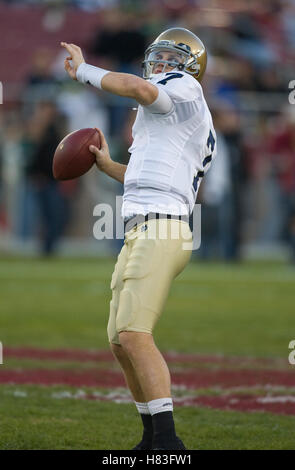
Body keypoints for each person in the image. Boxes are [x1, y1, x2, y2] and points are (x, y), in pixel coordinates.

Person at [61, 27, 217, 450]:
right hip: (145, 224)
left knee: (134, 334)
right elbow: (147, 177)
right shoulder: (172, 116)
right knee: (119, 341)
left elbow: (133, 87)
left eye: (172, 59)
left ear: (190, 68)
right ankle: (152, 437)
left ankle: (168, 443)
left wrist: (84, 72)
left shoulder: (183, 88)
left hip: (162, 225)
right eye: (159, 58)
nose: (163, 66)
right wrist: (109, 165)